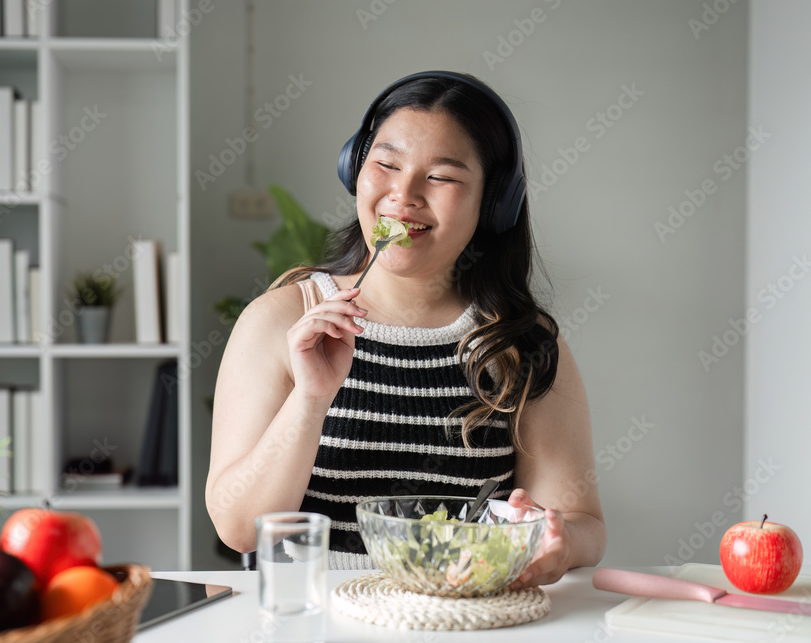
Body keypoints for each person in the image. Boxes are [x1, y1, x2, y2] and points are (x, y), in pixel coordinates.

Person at [206, 71, 605, 587]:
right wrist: (310, 399)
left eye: (441, 177)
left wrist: (557, 541)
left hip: (462, 622)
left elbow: (585, 525)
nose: (404, 194)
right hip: (314, 623)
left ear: (493, 202)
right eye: (386, 165)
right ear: (356, 170)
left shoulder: (521, 344)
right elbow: (239, 529)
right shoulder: (281, 319)